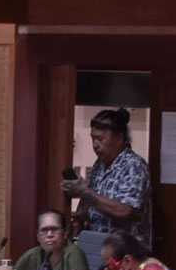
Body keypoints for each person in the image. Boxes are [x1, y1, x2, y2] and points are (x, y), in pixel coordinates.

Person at [64, 107, 151, 251]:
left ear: (119, 138)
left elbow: (124, 210)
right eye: (92, 138)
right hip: (97, 247)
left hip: (126, 253)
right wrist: (78, 220)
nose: (95, 145)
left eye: (100, 139)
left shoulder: (134, 165)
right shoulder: (99, 164)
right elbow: (89, 198)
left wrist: (86, 192)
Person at [12, 208, 88, 270]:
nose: (49, 234)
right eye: (44, 230)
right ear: (37, 236)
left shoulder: (73, 253)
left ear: (65, 233)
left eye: (55, 229)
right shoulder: (31, 256)